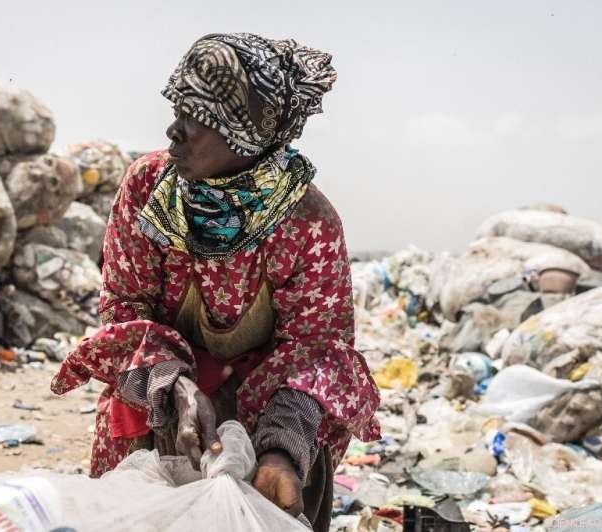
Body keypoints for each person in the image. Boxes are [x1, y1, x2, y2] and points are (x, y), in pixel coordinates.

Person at [51, 32, 380, 531]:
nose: (173, 130)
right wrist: (173, 387)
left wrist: (279, 452)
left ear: (246, 133)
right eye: (176, 107)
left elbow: (317, 351)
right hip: (165, 402)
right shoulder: (149, 187)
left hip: (266, 411)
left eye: (196, 115)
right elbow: (124, 309)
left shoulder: (307, 221)